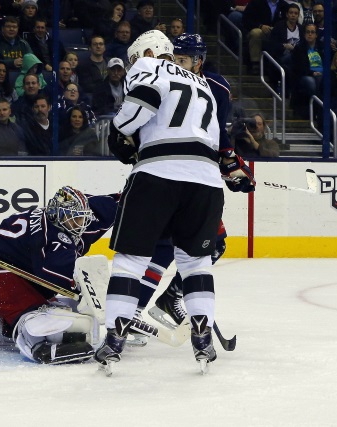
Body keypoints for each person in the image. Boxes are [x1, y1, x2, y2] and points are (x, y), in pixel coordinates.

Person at [94, 30, 254, 373]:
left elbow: (140, 108)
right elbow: (214, 141)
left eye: (136, 58)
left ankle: (114, 338)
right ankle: (202, 336)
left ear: (151, 51)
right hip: (206, 182)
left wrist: (120, 128)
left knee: (130, 260)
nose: (134, 66)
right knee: (197, 263)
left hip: (158, 174)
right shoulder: (205, 85)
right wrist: (232, 170)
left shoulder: (150, 67)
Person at [0, 186, 119, 364]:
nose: (80, 223)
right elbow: (53, 275)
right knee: (35, 315)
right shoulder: (50, 237)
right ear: (59, 215)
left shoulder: (60, 219)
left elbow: (117, 201)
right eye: (75, 219)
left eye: (82, 218)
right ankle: (35, 344)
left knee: (61, 305)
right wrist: (80, 287)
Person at [242, 0, 290, 74]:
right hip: (259, 31)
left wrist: (276, 28)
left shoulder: (284, 5)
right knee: (256, 33)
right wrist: (260, 26)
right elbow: (246, 20)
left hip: (276, 33)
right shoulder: (256, 2)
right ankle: (255, 64)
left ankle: (276, 67)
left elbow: (287, 22)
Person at [290, 22, 324, 118]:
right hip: (305, 75)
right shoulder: (299, 48)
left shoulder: (322, 47)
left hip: (322, 73)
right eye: (308, 32)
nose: (310, 34)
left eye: (312, 32)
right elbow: (299, 68)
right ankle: (317, 111)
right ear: (304, 34)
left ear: (316, 35)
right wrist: (312, 73)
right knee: (312, 82)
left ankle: (320, 111)